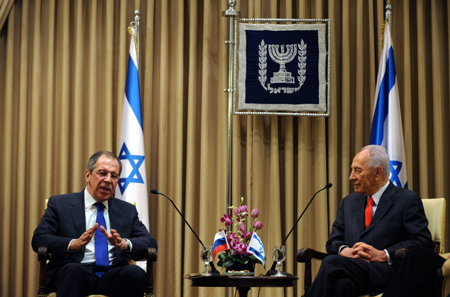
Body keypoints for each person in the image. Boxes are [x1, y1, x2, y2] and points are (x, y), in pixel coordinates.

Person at [306, 145, 434, 297]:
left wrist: (383, 254)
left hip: (386, 271)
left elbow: (423, 241)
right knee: (342, 286)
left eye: (357, 170)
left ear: (377, 173)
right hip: (352, 270)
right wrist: (345, 251)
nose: (351, 176)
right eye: (352, 170)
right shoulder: (348, 203)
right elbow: (333, 241)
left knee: (331, 262)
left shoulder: (407, 200)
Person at [32, 151, 157, 297]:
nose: (108, 180)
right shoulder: (60, 204)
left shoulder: (126, 210)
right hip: (74, 273)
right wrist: (72, 244)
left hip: (112, 275)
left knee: (135, 273)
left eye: (114, 176)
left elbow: (150, 242)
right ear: (87, 175)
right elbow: (39, 238)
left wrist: (125, 243)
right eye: (102, 173)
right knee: (74, 271)